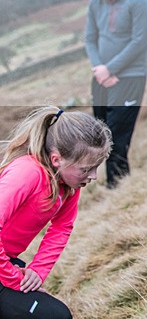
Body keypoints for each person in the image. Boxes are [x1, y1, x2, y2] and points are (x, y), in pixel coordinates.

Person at [0, 106, 112, 318]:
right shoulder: (27, 173)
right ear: (56, 159)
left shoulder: (67, 185)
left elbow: (62, 227)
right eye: (87, 169)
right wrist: (13, 278)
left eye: (96, 167)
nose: (94, 176)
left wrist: (38, 271)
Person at [83, 0, 147, 188]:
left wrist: (111, 69)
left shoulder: (139, 0)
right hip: (100, 78)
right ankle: (109, 184)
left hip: (130, 78)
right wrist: (101, 70)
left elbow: (139, 42)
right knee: (100, 137)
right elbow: (90, 39)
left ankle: (119, 189)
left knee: (117, 137)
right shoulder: (95, 3)